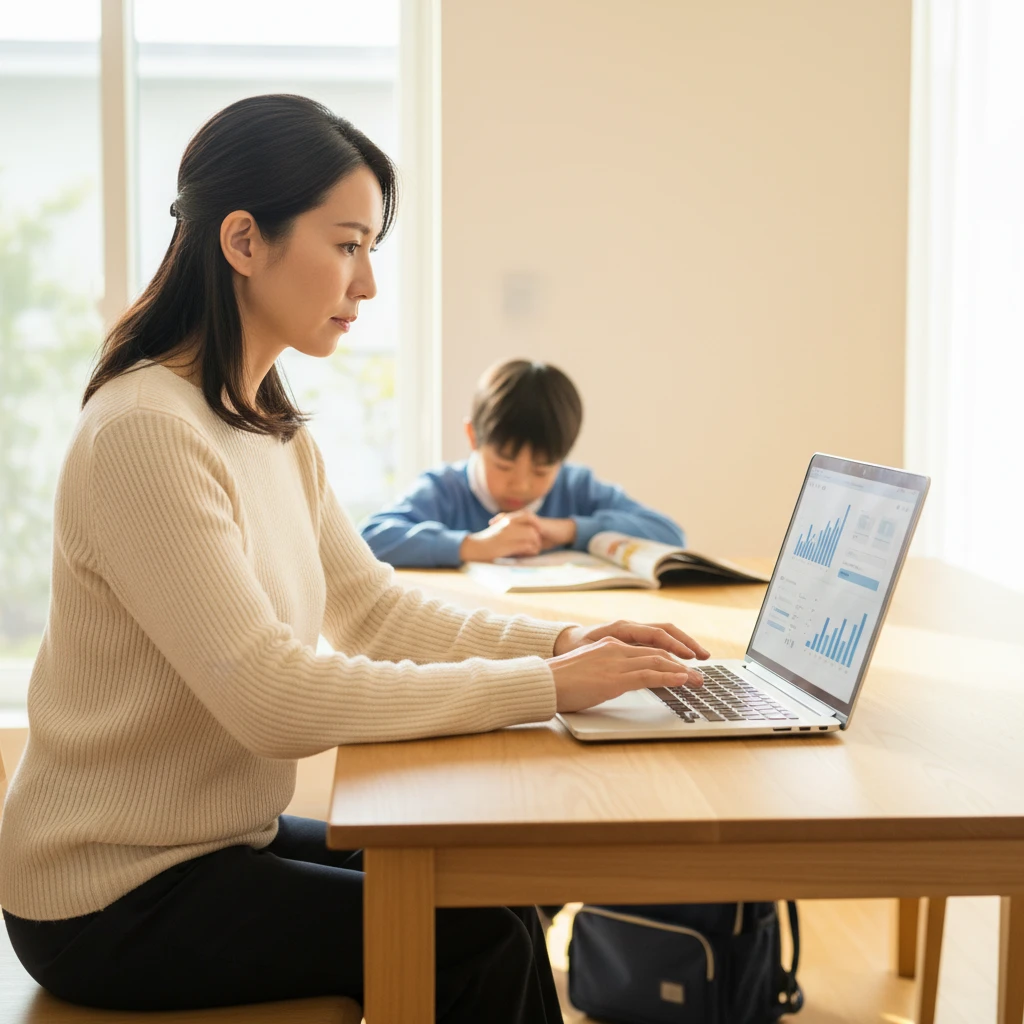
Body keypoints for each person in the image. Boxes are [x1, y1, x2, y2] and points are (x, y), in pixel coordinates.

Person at [0, 94, 709, 1022]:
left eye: (370, 248)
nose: (367, 283)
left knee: (488, 888)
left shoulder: (266, 426)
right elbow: (272, 698)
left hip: (211, 843)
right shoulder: (144, 432)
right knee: (481, 939)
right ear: (243, 241)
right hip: (108, 893)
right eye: (346, 244)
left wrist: (568, 640)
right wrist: (548, 687)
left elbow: (375, 610)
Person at [360, 358, 686, 567]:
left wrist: (568, 529)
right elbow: (370, 538)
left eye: (542, 470)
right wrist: (473, 546)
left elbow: (670, 535)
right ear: (473, 436)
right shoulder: (444, 489)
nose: (521, 483)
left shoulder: (576, 487)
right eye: (503, 464)